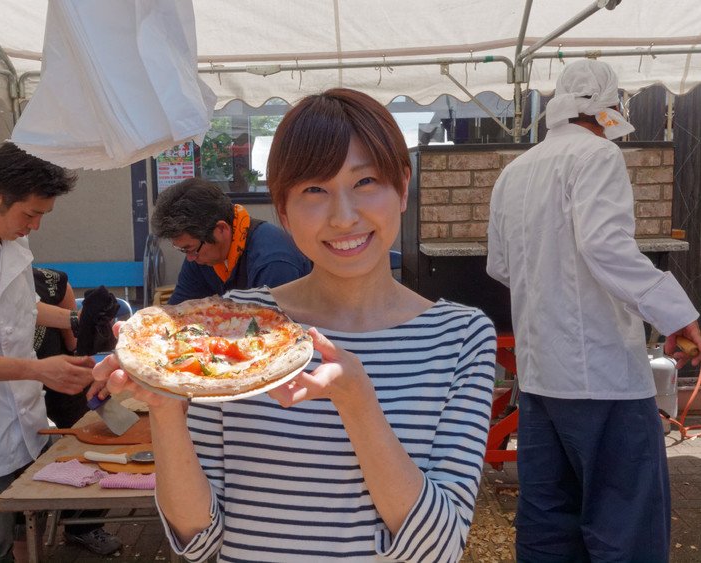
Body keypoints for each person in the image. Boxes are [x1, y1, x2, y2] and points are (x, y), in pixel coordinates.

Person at [93, 88, 497, 562]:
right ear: (283, 211)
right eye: (314, 190)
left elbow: (438, 550)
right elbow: (198, 542)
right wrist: (165, 410)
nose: (344, 217)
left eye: (365, 181)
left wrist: (358, 402)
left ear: (403, 187)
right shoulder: (233, 329)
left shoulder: (461, 338)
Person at [486, 59, 701, 563]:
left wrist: (552, 289)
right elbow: (605, 246)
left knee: (547, 518)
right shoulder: (598, 157)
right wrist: (678, 314)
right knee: (623, 522)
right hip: (601, 377)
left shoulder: (513, 173)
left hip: (540, 377)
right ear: (610, 110)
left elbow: (501, 266)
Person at [0, 142, 95, 562]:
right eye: (30, 214)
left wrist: (77, 321)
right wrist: (38, 371)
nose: (34, 226)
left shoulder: (10, 240)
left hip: (23, 416)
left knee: (18, 525)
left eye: (41, 216)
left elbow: (22, 309)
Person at [32, 267, 123, 556]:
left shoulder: (53, 282)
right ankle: (51, 522)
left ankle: (83, 524)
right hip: (16, 387)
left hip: (62, 382)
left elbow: (77, 346)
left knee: (106, 437)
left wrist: (86, 373)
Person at [151, 178, 311, 304]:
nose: (190, 258)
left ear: (221, 229)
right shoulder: (200, 254)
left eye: (190, 249)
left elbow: (273, 332)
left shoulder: (273, 261)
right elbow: (178, 311)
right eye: (183, 251)